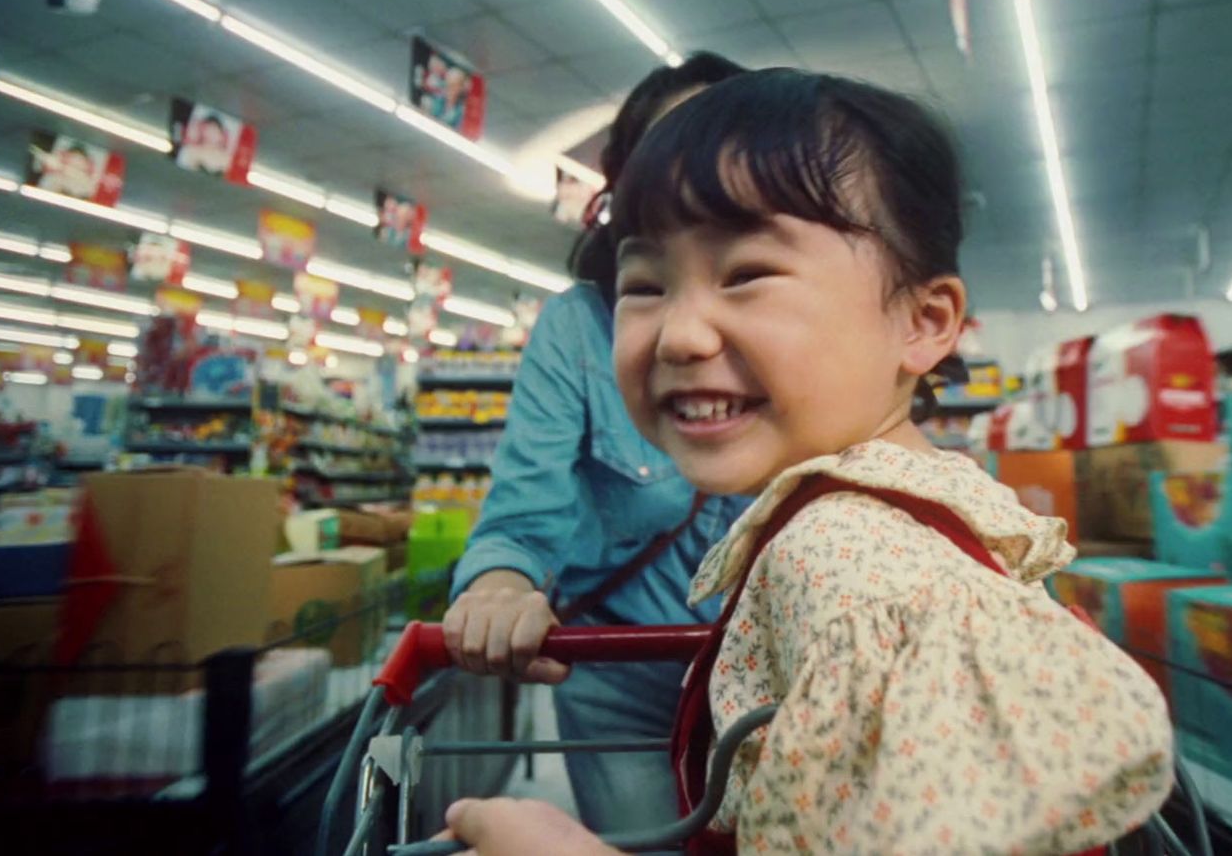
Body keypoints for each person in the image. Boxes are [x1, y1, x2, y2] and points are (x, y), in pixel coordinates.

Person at [444, 69, 1175, 853]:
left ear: (924, 321)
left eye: (747, 272)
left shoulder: (856, 572)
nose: (681, 336)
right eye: (646, 283)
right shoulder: (882, 513)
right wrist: (499, 579)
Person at [439, 52, 749, 838]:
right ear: (623, 193)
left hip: (770, 672)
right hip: (621, 677)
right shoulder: (578, 331)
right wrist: (500, 588)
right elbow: (520, 517)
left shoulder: (796, 314)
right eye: (670, 152)